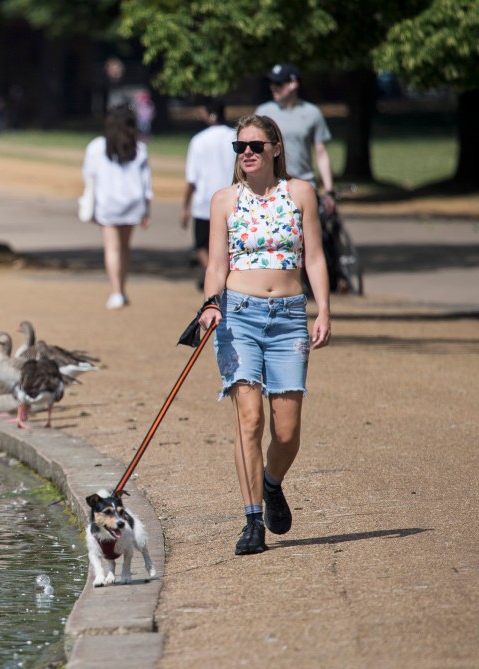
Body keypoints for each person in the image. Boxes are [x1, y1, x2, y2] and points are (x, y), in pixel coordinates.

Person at [198, 114, 331, 555]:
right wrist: (211, 303)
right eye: (240, 147)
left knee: (287, 432)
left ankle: (271, 483)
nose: (247, 153)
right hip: (239, 316)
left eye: (255, 145)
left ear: (276, 147)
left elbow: (314, 258)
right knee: (249, 420)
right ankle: (252, 520)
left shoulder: (300, 194)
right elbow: (216, 264)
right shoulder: (224, 201)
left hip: (289, 316)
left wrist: (324, 309)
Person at [81, 105, 152, 310]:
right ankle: (122, 286)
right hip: (133, 203)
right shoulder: (139, 148)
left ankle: (116, 291)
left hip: (108, 203)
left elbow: (88, 175)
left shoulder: (97, 147)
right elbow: (146, 181)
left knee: (112, 248)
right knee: (124, 247)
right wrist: (147, 209)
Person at [255, 64, 336, 216]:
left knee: (310, 236)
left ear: (293, 84)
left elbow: (321, 152)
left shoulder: (312, 113)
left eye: (278, 84)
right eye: (271, 83)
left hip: (305, 185)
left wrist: (329, 189)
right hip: (272, 187)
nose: (273, 87)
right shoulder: (263, 112)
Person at [181, 98, 236, 288]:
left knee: (201, 246)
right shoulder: (236, 137)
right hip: (233, 199)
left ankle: (215, 275)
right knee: (230, 244)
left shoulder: (198, 140)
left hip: (205, 202)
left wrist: (185, 207)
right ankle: (224, 276)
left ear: (208, 113)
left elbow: (192, 179)